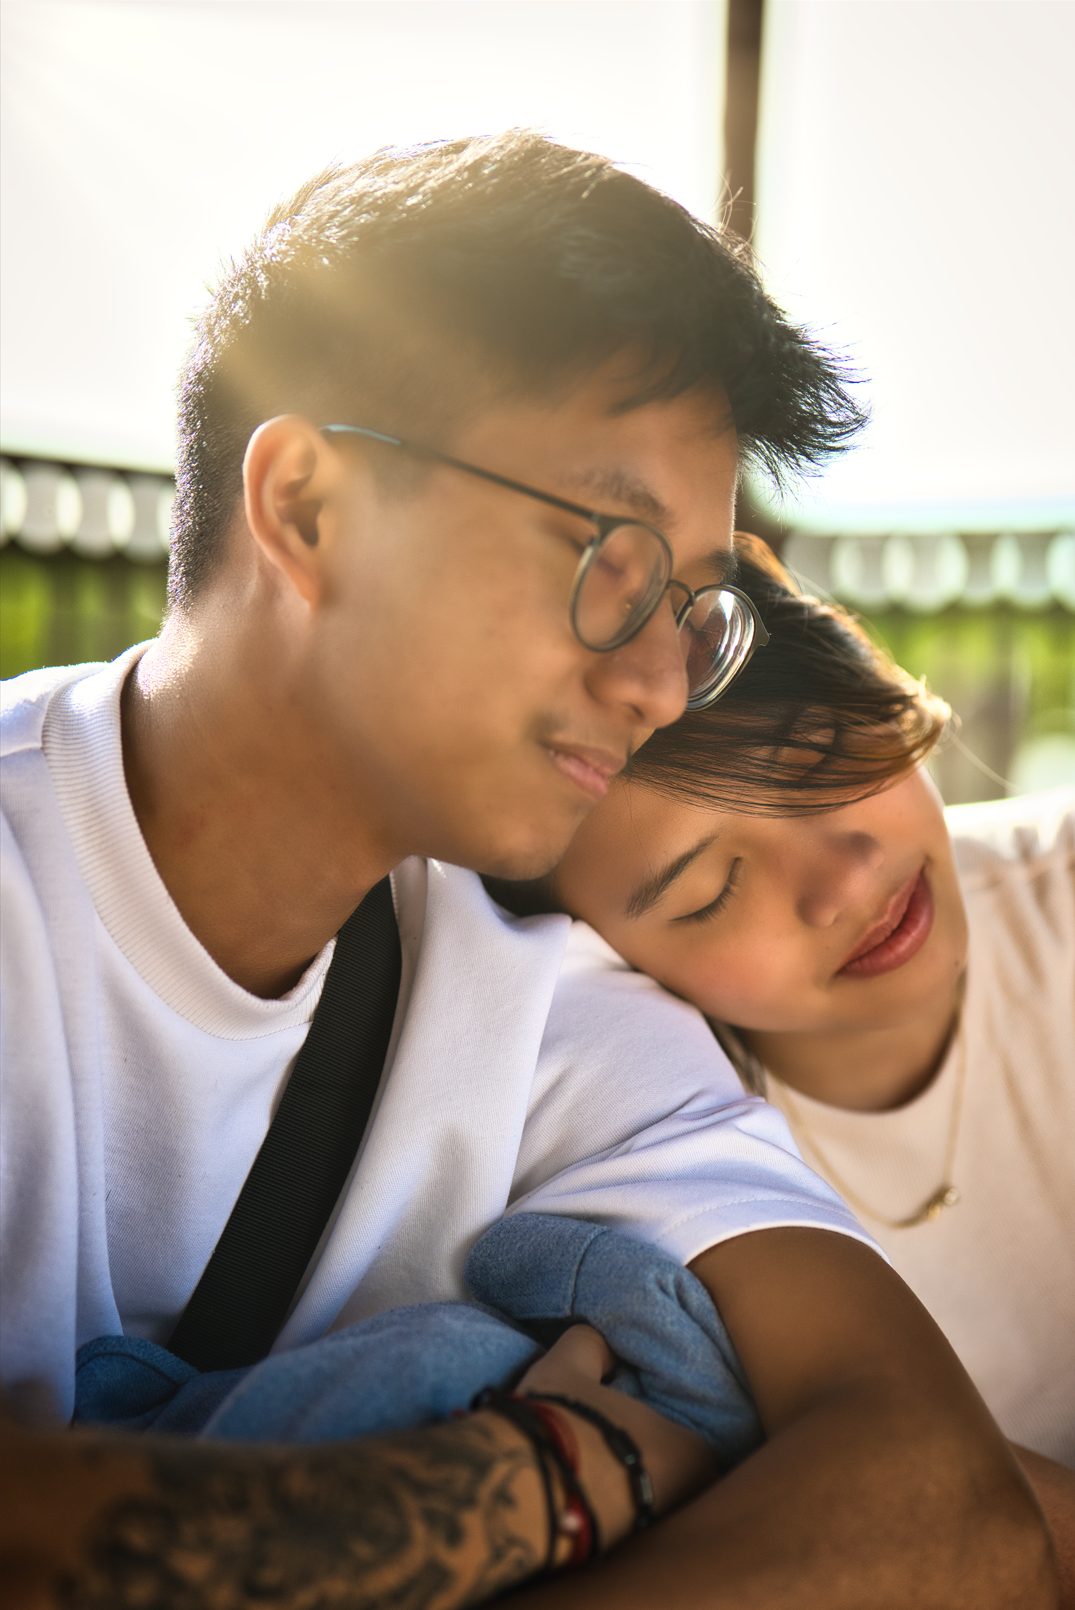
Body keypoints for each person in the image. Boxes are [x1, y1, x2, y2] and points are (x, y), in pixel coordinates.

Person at [0, 134, 1055, 1607]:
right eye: (608, 554)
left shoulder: (550, 984)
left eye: (694, 603)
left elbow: (944, 1506)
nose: (661, 680)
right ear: (308, 506)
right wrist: (552, 1474)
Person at [518, 532, 1073, 1594]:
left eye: (819, 757)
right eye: (709, 892)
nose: (844, 879)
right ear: (597, 951)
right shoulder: (637, 1140)